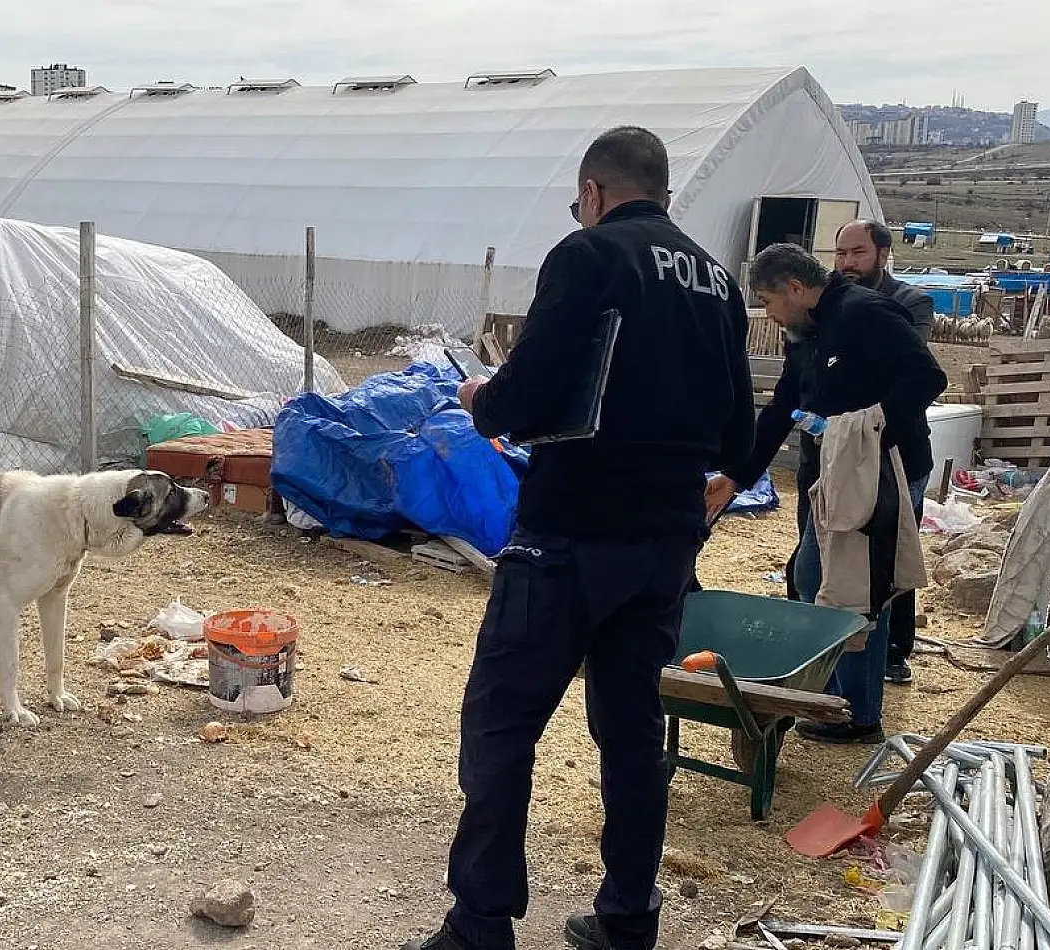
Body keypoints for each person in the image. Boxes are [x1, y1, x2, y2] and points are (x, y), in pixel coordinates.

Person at [404, 126, 755, 950]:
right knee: (631, 734)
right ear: (662, 191)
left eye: (578, 200)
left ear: (595, 192)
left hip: (569, 533)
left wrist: (482, 398)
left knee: (501, 723)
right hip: (664, 543)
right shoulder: (717, 282)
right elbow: (739, 427)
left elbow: (531, 394)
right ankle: (628, 917)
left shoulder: (590, 255)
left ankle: (480, 924)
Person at [705, 244, 945, 745]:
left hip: (876, 472)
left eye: (769, 301)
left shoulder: (864, 314)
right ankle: (837, 696)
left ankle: (857, 712)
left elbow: (926, 377)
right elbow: (782, 406)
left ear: (795, 287)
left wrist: (869, 434)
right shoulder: (806, 332)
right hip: (831, 477)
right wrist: (736, 474)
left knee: (858, 587)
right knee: (818, 578)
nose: (769, 313)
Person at [834, 220, 935, 685]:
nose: (847, 264)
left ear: (882, 253)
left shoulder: (911, 303)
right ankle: (844, 647)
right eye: (840, 254)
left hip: (898, 451)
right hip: (846, 454)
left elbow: (909, 374)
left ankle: (895, 648)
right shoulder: (834, 303)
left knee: (894, 554)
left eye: (857, 253)